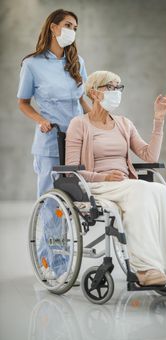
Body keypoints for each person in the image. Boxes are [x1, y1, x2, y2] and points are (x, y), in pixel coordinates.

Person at [65, 70, 166, 287]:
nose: (116, 92)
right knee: (140, 190)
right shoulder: (79, 124)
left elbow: (150, 156)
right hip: (96, 184)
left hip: (124, 185)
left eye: (118, 87)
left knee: (159, 191)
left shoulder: (124, 123)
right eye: (110, 87)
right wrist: (103, 176)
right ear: (94, 93)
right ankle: (146, 268)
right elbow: (70, 170)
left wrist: (158, 120)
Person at [17, 9, 90, 278]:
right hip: (50, 142)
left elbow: (82, 100)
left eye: (76, 27)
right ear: (53, 28)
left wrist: (97, 117)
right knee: (53, 207)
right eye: (68, 25)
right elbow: (23, 103)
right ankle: (52, 267)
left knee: (75, 204)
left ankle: (68, 261)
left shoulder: (77, 62)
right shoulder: (32, 64)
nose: (73, 30)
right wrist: (40, 120)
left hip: (76, 141)